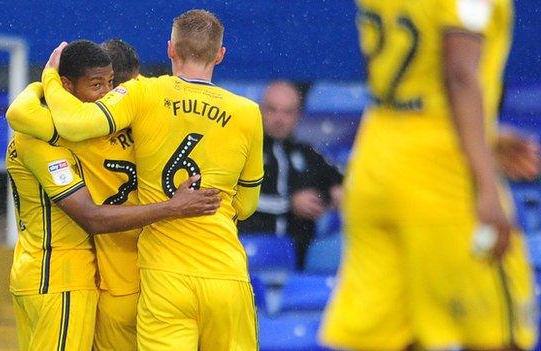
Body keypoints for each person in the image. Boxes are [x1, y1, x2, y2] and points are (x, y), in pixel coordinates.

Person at [38, 9, 263, 350]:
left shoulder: (145, 93)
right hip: (224, 271)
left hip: (164, 276)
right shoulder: (248, 112)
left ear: (171, 49)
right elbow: (246, 206)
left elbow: (73, 124)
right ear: (220, 55)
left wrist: (52, 78)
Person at [319, 0, 539, 350]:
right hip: (440, 174)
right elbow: (459, 74)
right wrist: (486, 182)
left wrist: (487, 136)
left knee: (394, 339)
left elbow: (413, 83)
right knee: (498, 335)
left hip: (375, 161)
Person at [6, 39, 221, 351]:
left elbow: (18, 111)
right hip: (64, 277)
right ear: (68, 85)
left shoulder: (65, 127)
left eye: (111, 85)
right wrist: (174, 207)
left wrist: (46, 80)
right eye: (98, 85)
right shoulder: (65, 135)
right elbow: (91, 217)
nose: (109, 95)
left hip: (76, 276)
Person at [238, 80, 343, 268]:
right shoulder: (244, 150)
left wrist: (331, 195)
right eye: (272, 110)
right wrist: (290, 204)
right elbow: (235, 199)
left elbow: (337, 181)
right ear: (260, 111)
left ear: (298, 115)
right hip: (247, 251)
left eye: (287, 112)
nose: (279, 119)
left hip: (300, 257)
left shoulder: (307, 153)